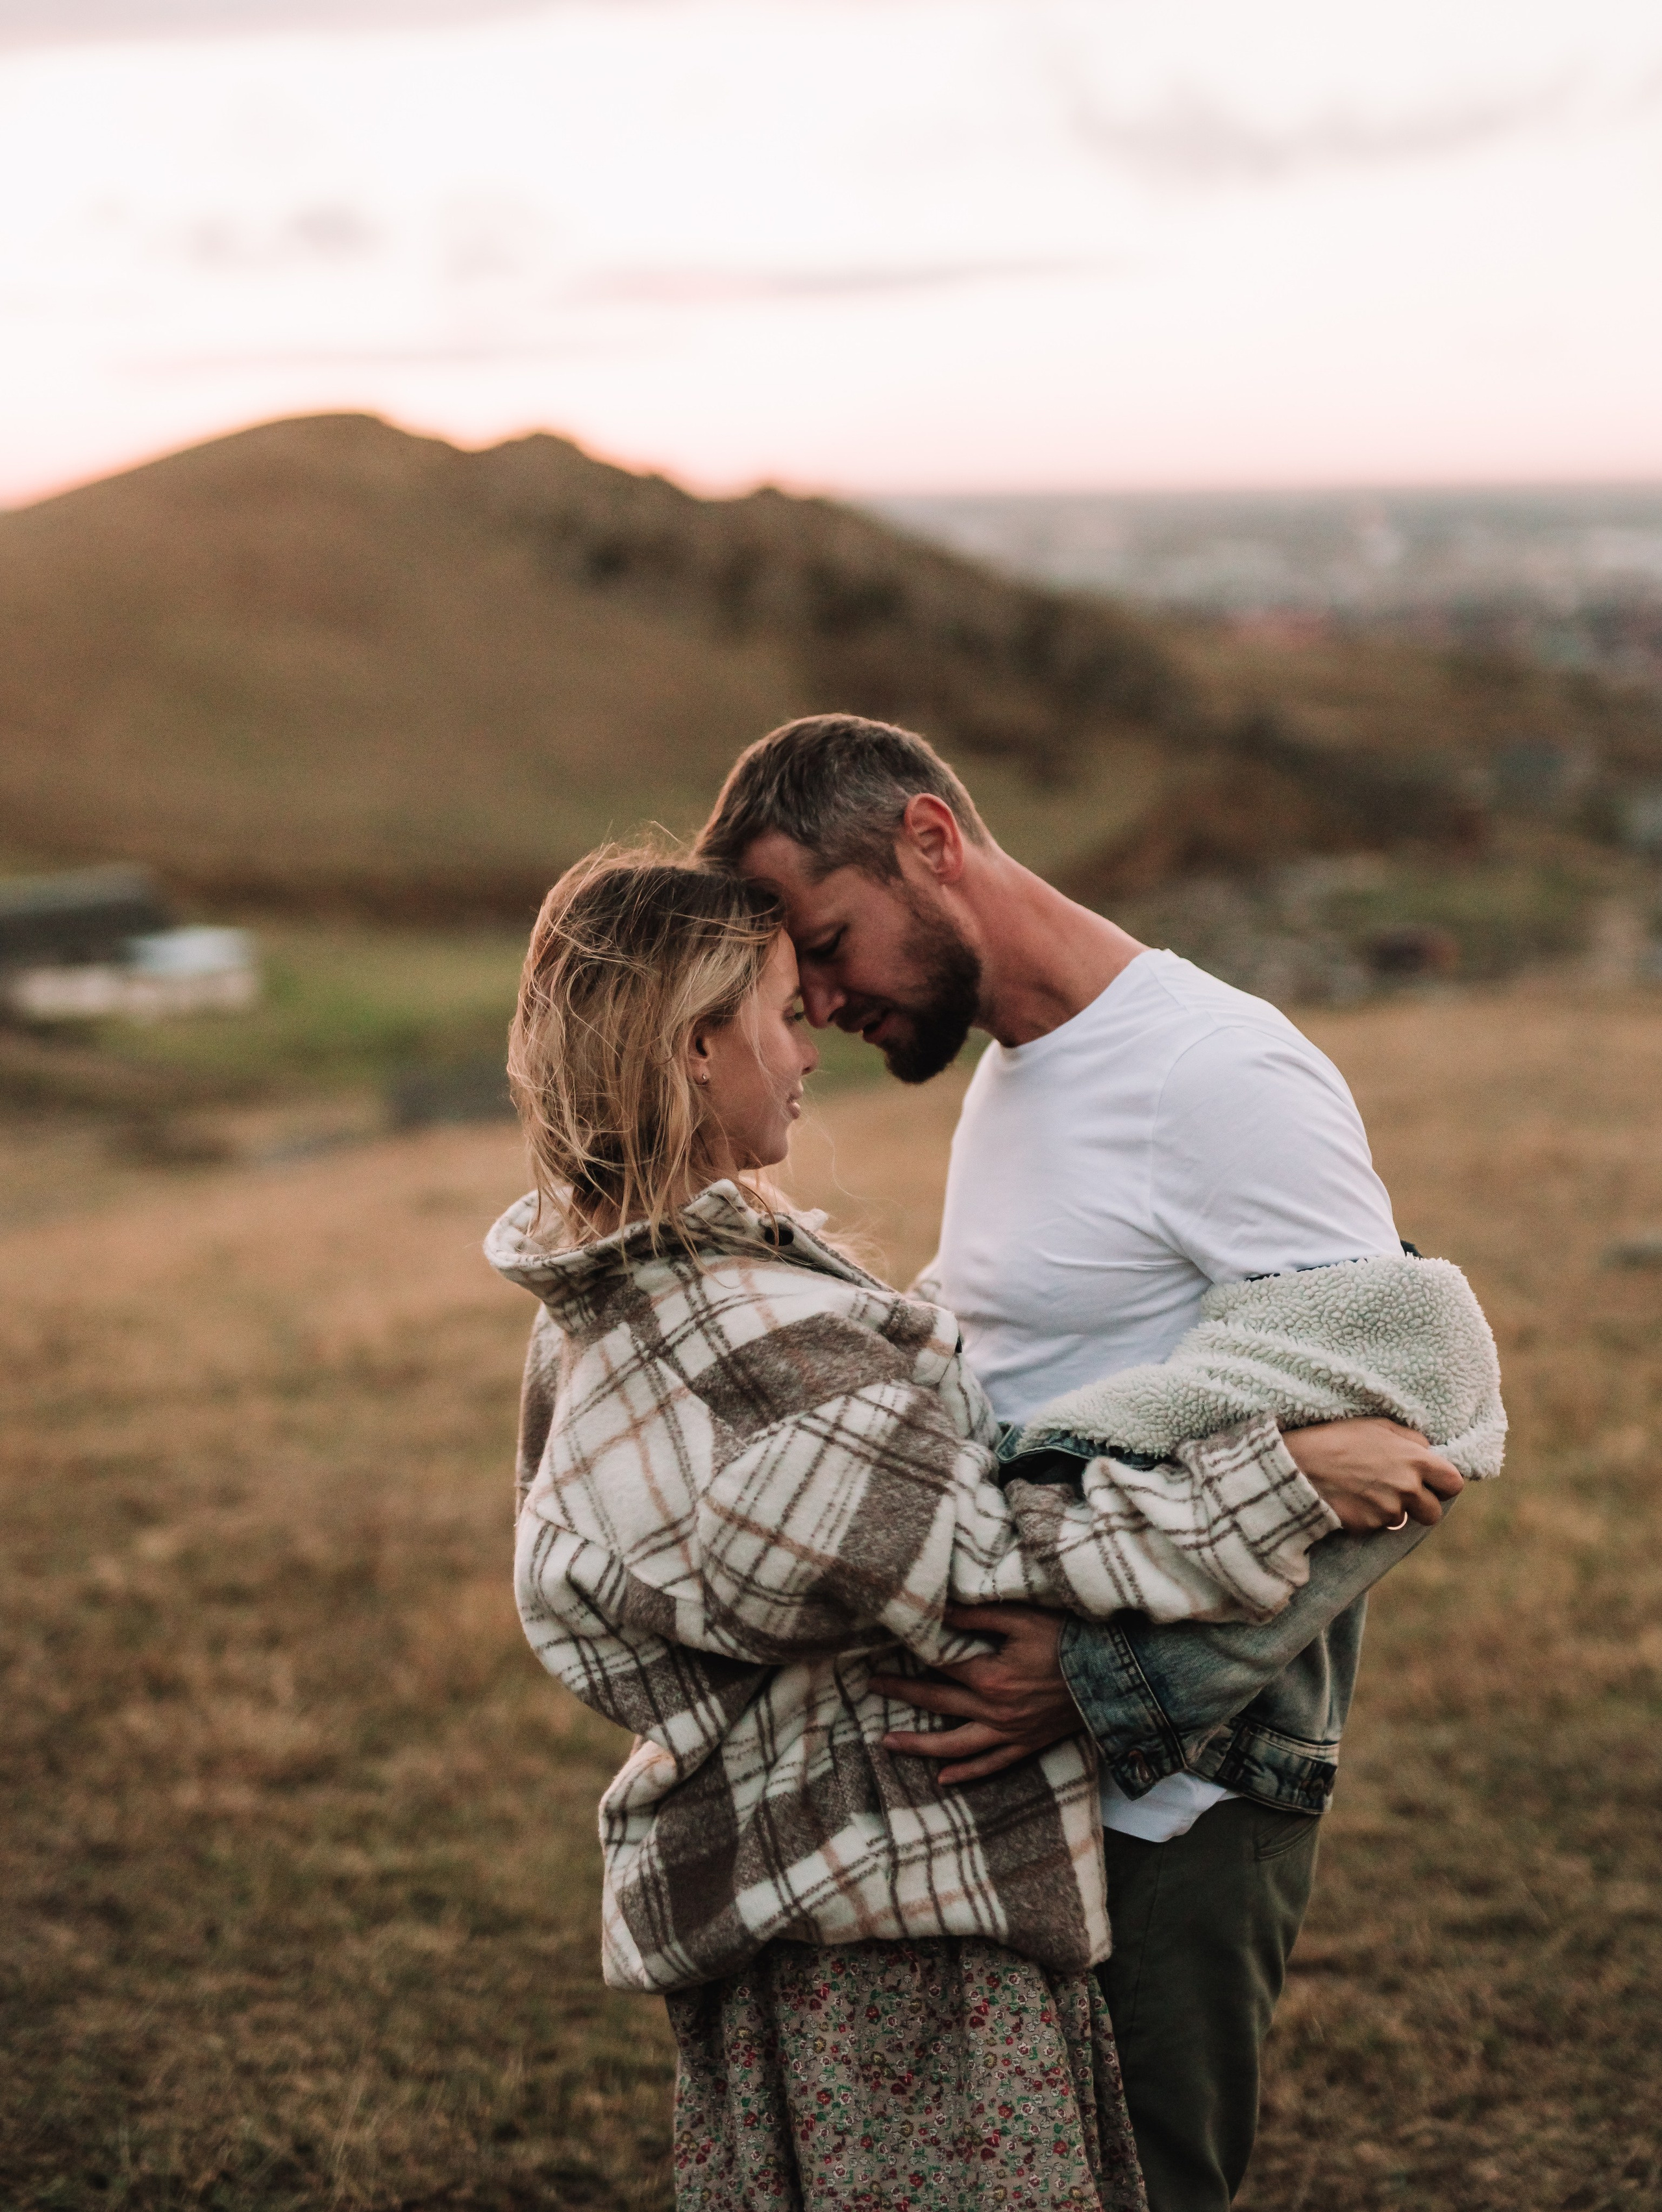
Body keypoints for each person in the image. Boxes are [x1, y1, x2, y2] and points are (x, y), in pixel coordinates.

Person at [486, 851, 1423, 2212]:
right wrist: (1285, 1479)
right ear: (695, 1045)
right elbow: (983, 1552)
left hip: (818, 1880)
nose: (813, 1038)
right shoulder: (744, 1332)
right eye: (782, 1009)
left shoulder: (619, 1289)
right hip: (889, 1917)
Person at [695, 713, 1479, 2212]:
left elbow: (1402, 1435)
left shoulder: (1214, 1070)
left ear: (932, 843)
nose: (820, 999)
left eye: (827, 943)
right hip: (1037, 1803)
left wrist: (1101, 1683)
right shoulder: (1016, 1073)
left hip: (1180, 1801)